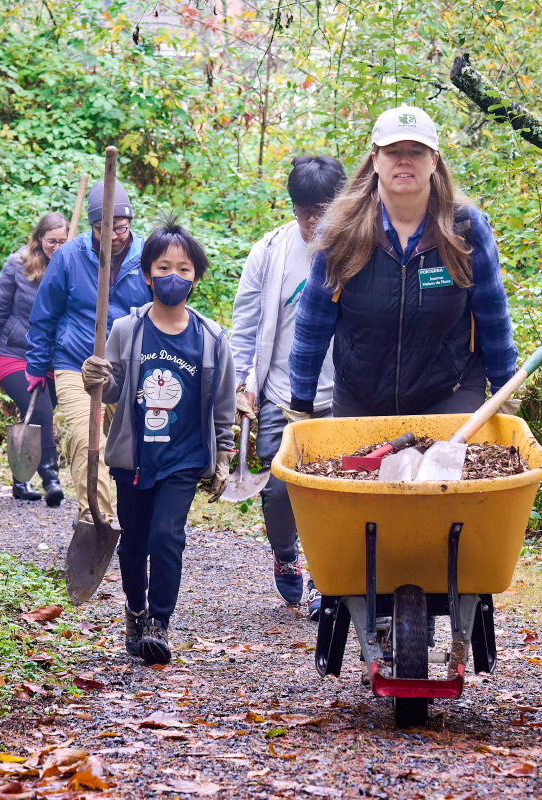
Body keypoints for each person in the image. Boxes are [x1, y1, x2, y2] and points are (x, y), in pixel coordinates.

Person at [288, 106, 518, 423]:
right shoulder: (342, 231)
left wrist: (505, 394)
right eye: (393, 151)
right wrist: (300, 405)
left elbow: (493, 317)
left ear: (434, 160)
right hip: (361, 398)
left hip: (450, 393)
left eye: (416, 151)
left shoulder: (465, 228)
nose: (404, 160)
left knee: (439, 473)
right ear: (375, 160)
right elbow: (312, 325)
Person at [80, 214, 235, 665]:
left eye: (184, 269)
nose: (174, 277)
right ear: (148, 274)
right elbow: (112, 391)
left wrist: (222, 454)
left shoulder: (210, 338)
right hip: (134, 455)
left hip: (184, 456)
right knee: (134, 542)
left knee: (168, 536)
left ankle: (159, 622)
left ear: (196, 278)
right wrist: (96, 378)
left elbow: (223, 402)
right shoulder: (128, 330)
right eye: (164, 268)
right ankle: (134, 608)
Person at [230, 155, 346, 621]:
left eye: (324, 212)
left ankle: (326, 582)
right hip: (281, 392)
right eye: (305, 213)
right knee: (279, 492)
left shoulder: (358, 246)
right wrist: (243, 384)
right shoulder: (270, 251)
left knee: (336, 491)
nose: (314, 223)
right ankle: (284, 551)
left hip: (342, 392)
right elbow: (246, 324)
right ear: (293, 208)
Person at [26, 180, 151, 525]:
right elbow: (44, 314)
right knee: (87, 439)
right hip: (76, 362)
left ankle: (138, 519)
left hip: (129, 368)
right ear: (91, 226)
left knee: (133, 447)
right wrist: (37, 366)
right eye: (102, 228)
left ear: (131, 223)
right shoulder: (69, 256)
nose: (112, 236)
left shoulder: (148, 256)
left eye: (120, 228)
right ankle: (97, 521)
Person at [0, 212, 69, 505]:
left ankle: (20, 480)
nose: (56, 246)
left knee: (32, 418)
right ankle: (50, 478)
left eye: (62, 241)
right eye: (51, 240)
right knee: (40, 411)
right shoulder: (18, 264)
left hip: (53, 357)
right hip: (15, 353)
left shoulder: (72, 265)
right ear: (39, 238)